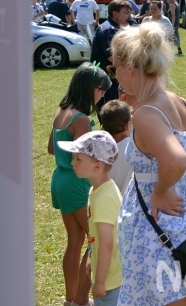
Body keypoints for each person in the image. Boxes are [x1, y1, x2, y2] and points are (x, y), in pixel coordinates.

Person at [112, 22, 186, 304]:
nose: (115, 74)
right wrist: (180, 173)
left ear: (130, 67)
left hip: (157, 225)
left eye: (115, 66)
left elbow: (176, 159)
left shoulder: (145, 112)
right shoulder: (175, 100)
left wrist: (162, 188)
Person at [47, 62, 111, 306]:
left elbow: (51, 148)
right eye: (100, 89)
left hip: (60, 181)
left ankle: (71, 299)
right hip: (76, 183)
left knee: (74, 242)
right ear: (88, 88)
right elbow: (83, 158)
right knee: (95, 238)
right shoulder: (81, 119)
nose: (102, 94)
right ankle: (82, 300)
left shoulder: (61, 111)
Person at [57, 131, 122, 306]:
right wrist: (90, 261)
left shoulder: (104, 198)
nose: (72, 163)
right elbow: (97, 239)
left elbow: (107, 243)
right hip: (106, 277)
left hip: (111, 282)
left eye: (78, 159)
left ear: (97, 166)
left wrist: (100, 281)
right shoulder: (96, 190)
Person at [91, 0, 132, 105]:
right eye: (126, 13)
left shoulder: (115, 28)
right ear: (115, 14)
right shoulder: (109, 30)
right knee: (109, 111)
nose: (130, 16)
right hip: (105, 81)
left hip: (111, 79)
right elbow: (112, 57)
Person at [98, 99, 134, 194]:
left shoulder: (99, 147)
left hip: (106, 198)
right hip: (125, 202)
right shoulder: (133, 146)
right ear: (127, 125)